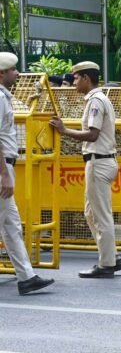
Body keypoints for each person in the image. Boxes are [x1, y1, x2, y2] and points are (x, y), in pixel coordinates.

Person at [49, 61, 121, 279]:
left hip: (99, 161)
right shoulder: (97, 99)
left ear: (86, 78)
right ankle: (111, 256)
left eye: (75, 78)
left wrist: (64, 131)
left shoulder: (96, 101)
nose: (73, 83)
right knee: (91, 213)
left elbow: (92, 134)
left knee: (100, 215)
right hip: (99, 161)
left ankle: (107, 263)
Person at [0, 52, 55, 295]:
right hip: (2, 168)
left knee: (12, 225)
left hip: (6, 165)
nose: (18, 73)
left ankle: (26, 277)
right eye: (13, 69)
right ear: (2, 73)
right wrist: (4, 174)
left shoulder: (5, 97)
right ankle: (26, 277)